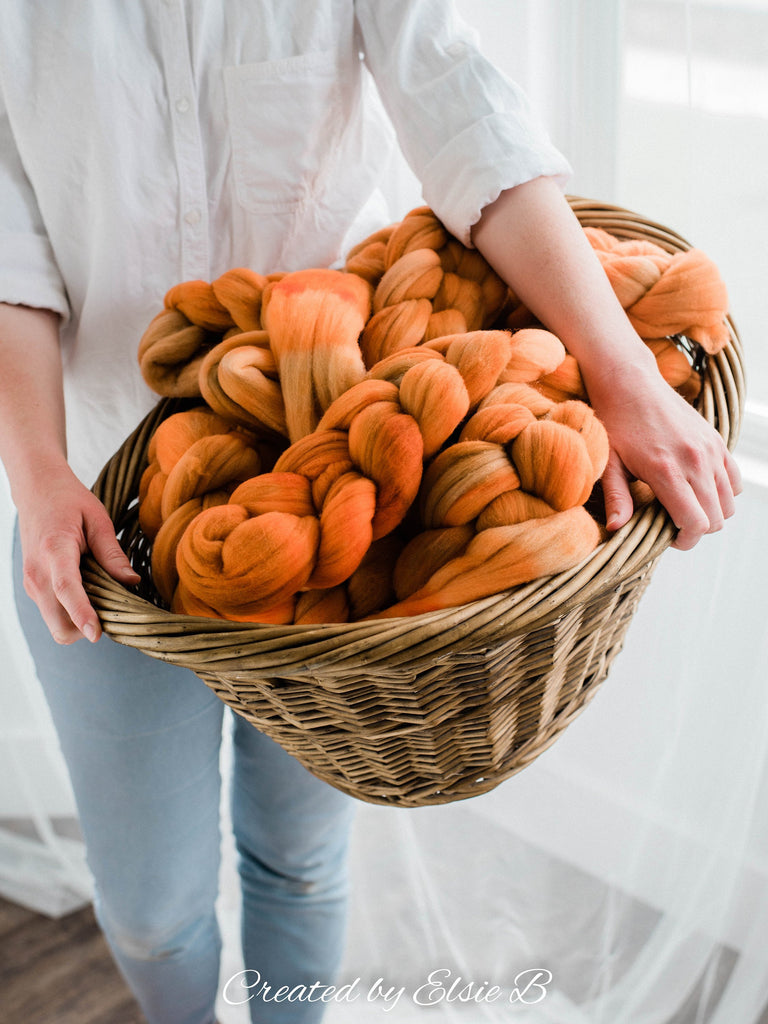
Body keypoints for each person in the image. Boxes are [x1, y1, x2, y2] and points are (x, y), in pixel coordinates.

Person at [0, 3, 741, 1023]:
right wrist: (38, 475)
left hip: (344, 484)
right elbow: (9, 256)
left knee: (299, 860)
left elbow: (466, 119)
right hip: (92, 508)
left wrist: (621, 372)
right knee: (151, 913)